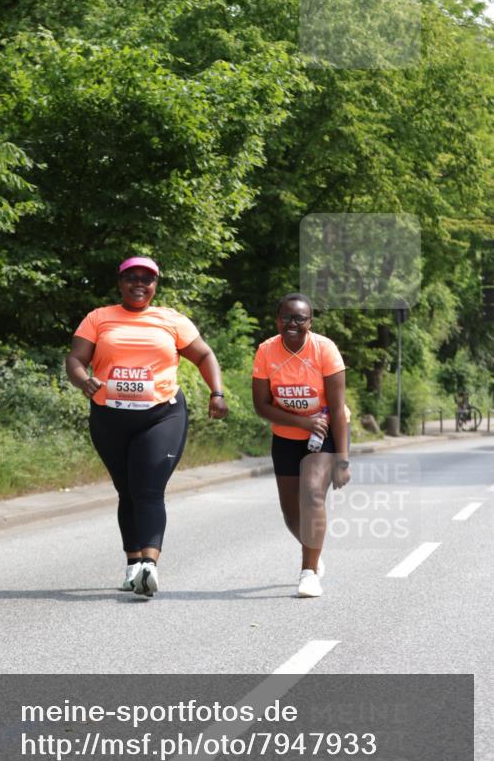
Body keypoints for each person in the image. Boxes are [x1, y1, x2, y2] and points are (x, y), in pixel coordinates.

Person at [65, 256, 228, 598]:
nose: (139, 284)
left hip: (161, 414)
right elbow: (76, 359)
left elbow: (204, 355)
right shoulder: (99, 318)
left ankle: (149, 566)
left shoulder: (171, 320)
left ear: (155, 285)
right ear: (120, 282)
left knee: (149, 490)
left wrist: (217, 393)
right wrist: (84, 381)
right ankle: (132, 565)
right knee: (126, 490)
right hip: (110, 415)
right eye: (132, 278)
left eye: (147, 279)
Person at [251, 293, 350, 598]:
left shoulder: (324, 350)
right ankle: (315, 553)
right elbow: (261, 405)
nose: (292, 323)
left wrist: (342, 461)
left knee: (311, 495)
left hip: (326, 434)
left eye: (300, 318)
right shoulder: (267, 351)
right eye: (286, 317)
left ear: (310, 322)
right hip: (287, 435)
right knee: (291, 514)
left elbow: (336, 409)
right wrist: (302, 423)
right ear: (277, 319)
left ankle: (308, 573)